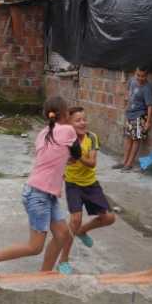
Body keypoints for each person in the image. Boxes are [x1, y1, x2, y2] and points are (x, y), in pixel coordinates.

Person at [0, 96, 81, 272]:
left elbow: (56, 155)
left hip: (43, 193)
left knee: (62, 234)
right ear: (65, 114)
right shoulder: (68, 131)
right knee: (34, 247)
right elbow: (77, 155)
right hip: (38, 195)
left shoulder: (43, 133)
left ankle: (45, 274)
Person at [57, 107, 116, 275]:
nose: (82, 122)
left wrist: (77, 156)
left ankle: (83, 231)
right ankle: (63, 260)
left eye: (84, 119)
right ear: (69, 124)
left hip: (91, 184)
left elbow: (92, 163)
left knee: (109, 217)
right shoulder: (66, 140)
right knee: (74, 220)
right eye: (78, 120)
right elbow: (58, 162)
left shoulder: (91, 137)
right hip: (73, 185)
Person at [118, 66, 152, 172]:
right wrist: (125, 104)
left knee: (136, 139)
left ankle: (129, 163)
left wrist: (148, 122)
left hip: (139, 116)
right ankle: (124, 161)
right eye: (138, 75)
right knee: (128, 138)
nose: (140, 78)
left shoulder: (147, 88)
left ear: (146, 75)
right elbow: (127, 92)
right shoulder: (132, 81)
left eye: (143, 76)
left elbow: (150, 105)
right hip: (130, 114)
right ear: (135, 73)